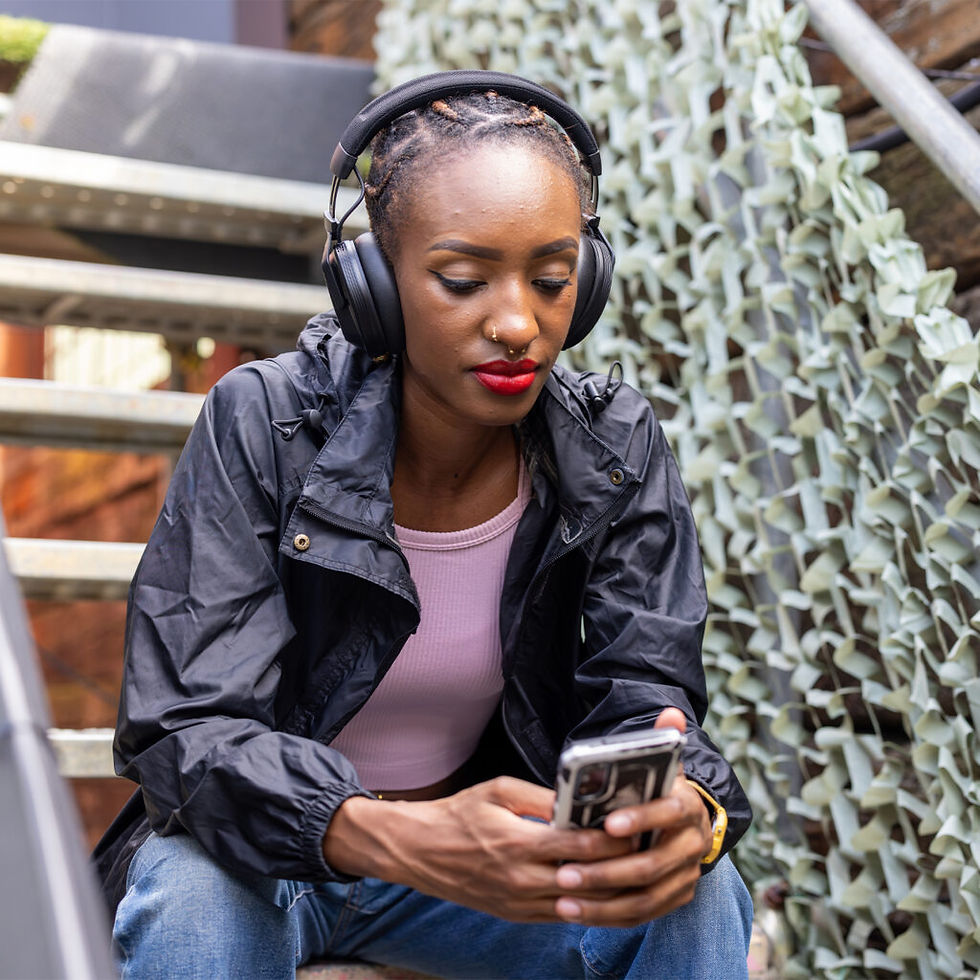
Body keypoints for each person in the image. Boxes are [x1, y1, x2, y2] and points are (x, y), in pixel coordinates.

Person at [95, 70, 754, 979]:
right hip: (275, 860)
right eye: (462, 280)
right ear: (374, 286)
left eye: (552, 279)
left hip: (488, 872)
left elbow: (646, 694)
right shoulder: (266, 421)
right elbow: (185, 728)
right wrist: (393, 835)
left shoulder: (613, 443)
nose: (518, 322)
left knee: (695, 892)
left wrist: (690, 809)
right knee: (195, 892)